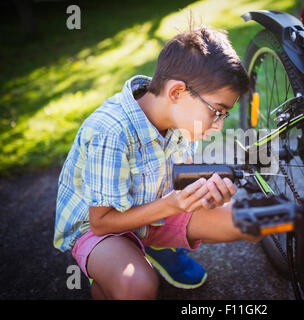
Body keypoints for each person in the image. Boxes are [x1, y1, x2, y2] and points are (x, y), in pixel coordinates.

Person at [53, 22, 260, 300]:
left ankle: (156, 247)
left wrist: (204, 194)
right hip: (100, 230)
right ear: (176, 92)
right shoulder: (110, 130)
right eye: (217, 111)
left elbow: (178, 177)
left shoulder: (180, 117)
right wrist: (172, 204)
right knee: (137, 287)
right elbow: (101, 222)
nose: (219, 125)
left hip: (156, 210)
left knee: (249, 222)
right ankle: (109, 279)